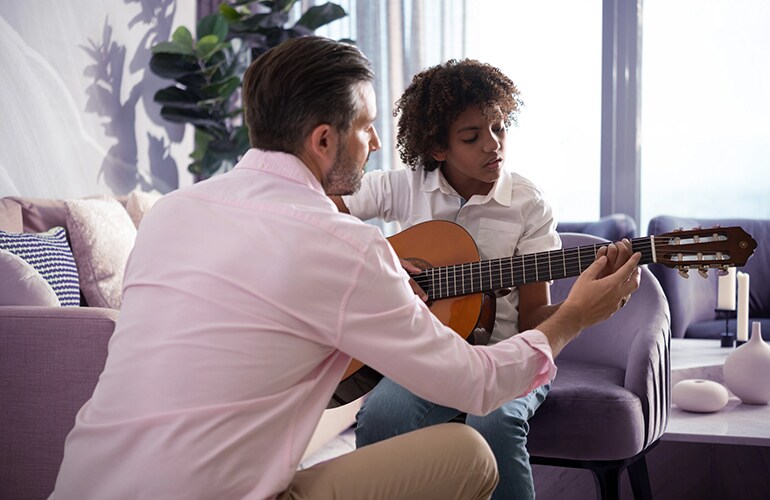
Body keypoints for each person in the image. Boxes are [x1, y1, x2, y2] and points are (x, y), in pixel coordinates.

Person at [52, 36, 640, 500]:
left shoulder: (171, 212)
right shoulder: (345, 246)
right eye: (366, 127)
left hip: (77, 485)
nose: (379, 144)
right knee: (470, 454)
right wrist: (575, 318)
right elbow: (478, 384)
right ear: (324, 140)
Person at [332, 59, 623, 499]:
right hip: (426, 357)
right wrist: (381, 265)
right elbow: (322, 209)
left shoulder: (527, 204)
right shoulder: (406, 186)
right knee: (379, 416)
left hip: (509, 355)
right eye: (472, 136)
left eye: (500, 128)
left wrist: (586, 305)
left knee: (495, 419)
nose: (493, 145)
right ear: (438, 148)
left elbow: (532, 321)